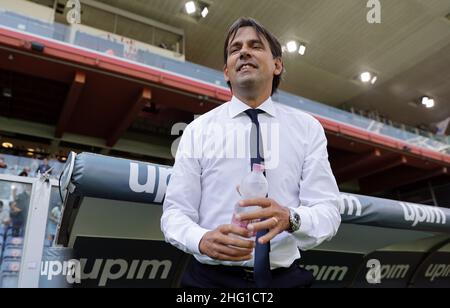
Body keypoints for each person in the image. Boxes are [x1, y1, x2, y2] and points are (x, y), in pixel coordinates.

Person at [161, 17, 341, 288]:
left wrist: (291, 219)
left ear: (277, 65)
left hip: (286, 278)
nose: (244, 51)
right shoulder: (197, 130)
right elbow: (174, 213)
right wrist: (200, 239)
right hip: (209, 281)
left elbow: (328, 211)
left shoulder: (308, 129)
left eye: (255, 46)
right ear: (226, 72)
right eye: (235, 49)